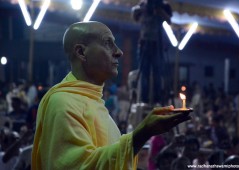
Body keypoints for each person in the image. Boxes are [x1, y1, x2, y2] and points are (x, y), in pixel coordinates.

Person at [31, 21, 191, 170]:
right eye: (108, 43)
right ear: (81, 52)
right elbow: (80, 165)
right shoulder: (62, 102)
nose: (119, 52)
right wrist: (142, 133)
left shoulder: (92, 100)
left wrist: (144, 134)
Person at [132, 0, 172, 105]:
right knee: (144, 72)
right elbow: (134, 16)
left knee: (157, 73)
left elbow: (169, 20)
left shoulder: (163, 5)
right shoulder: (143, 4)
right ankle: (144, 99)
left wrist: (160, 12)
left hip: (157, 44)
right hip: (144, 42)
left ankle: (157, 99)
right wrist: (143, 9)